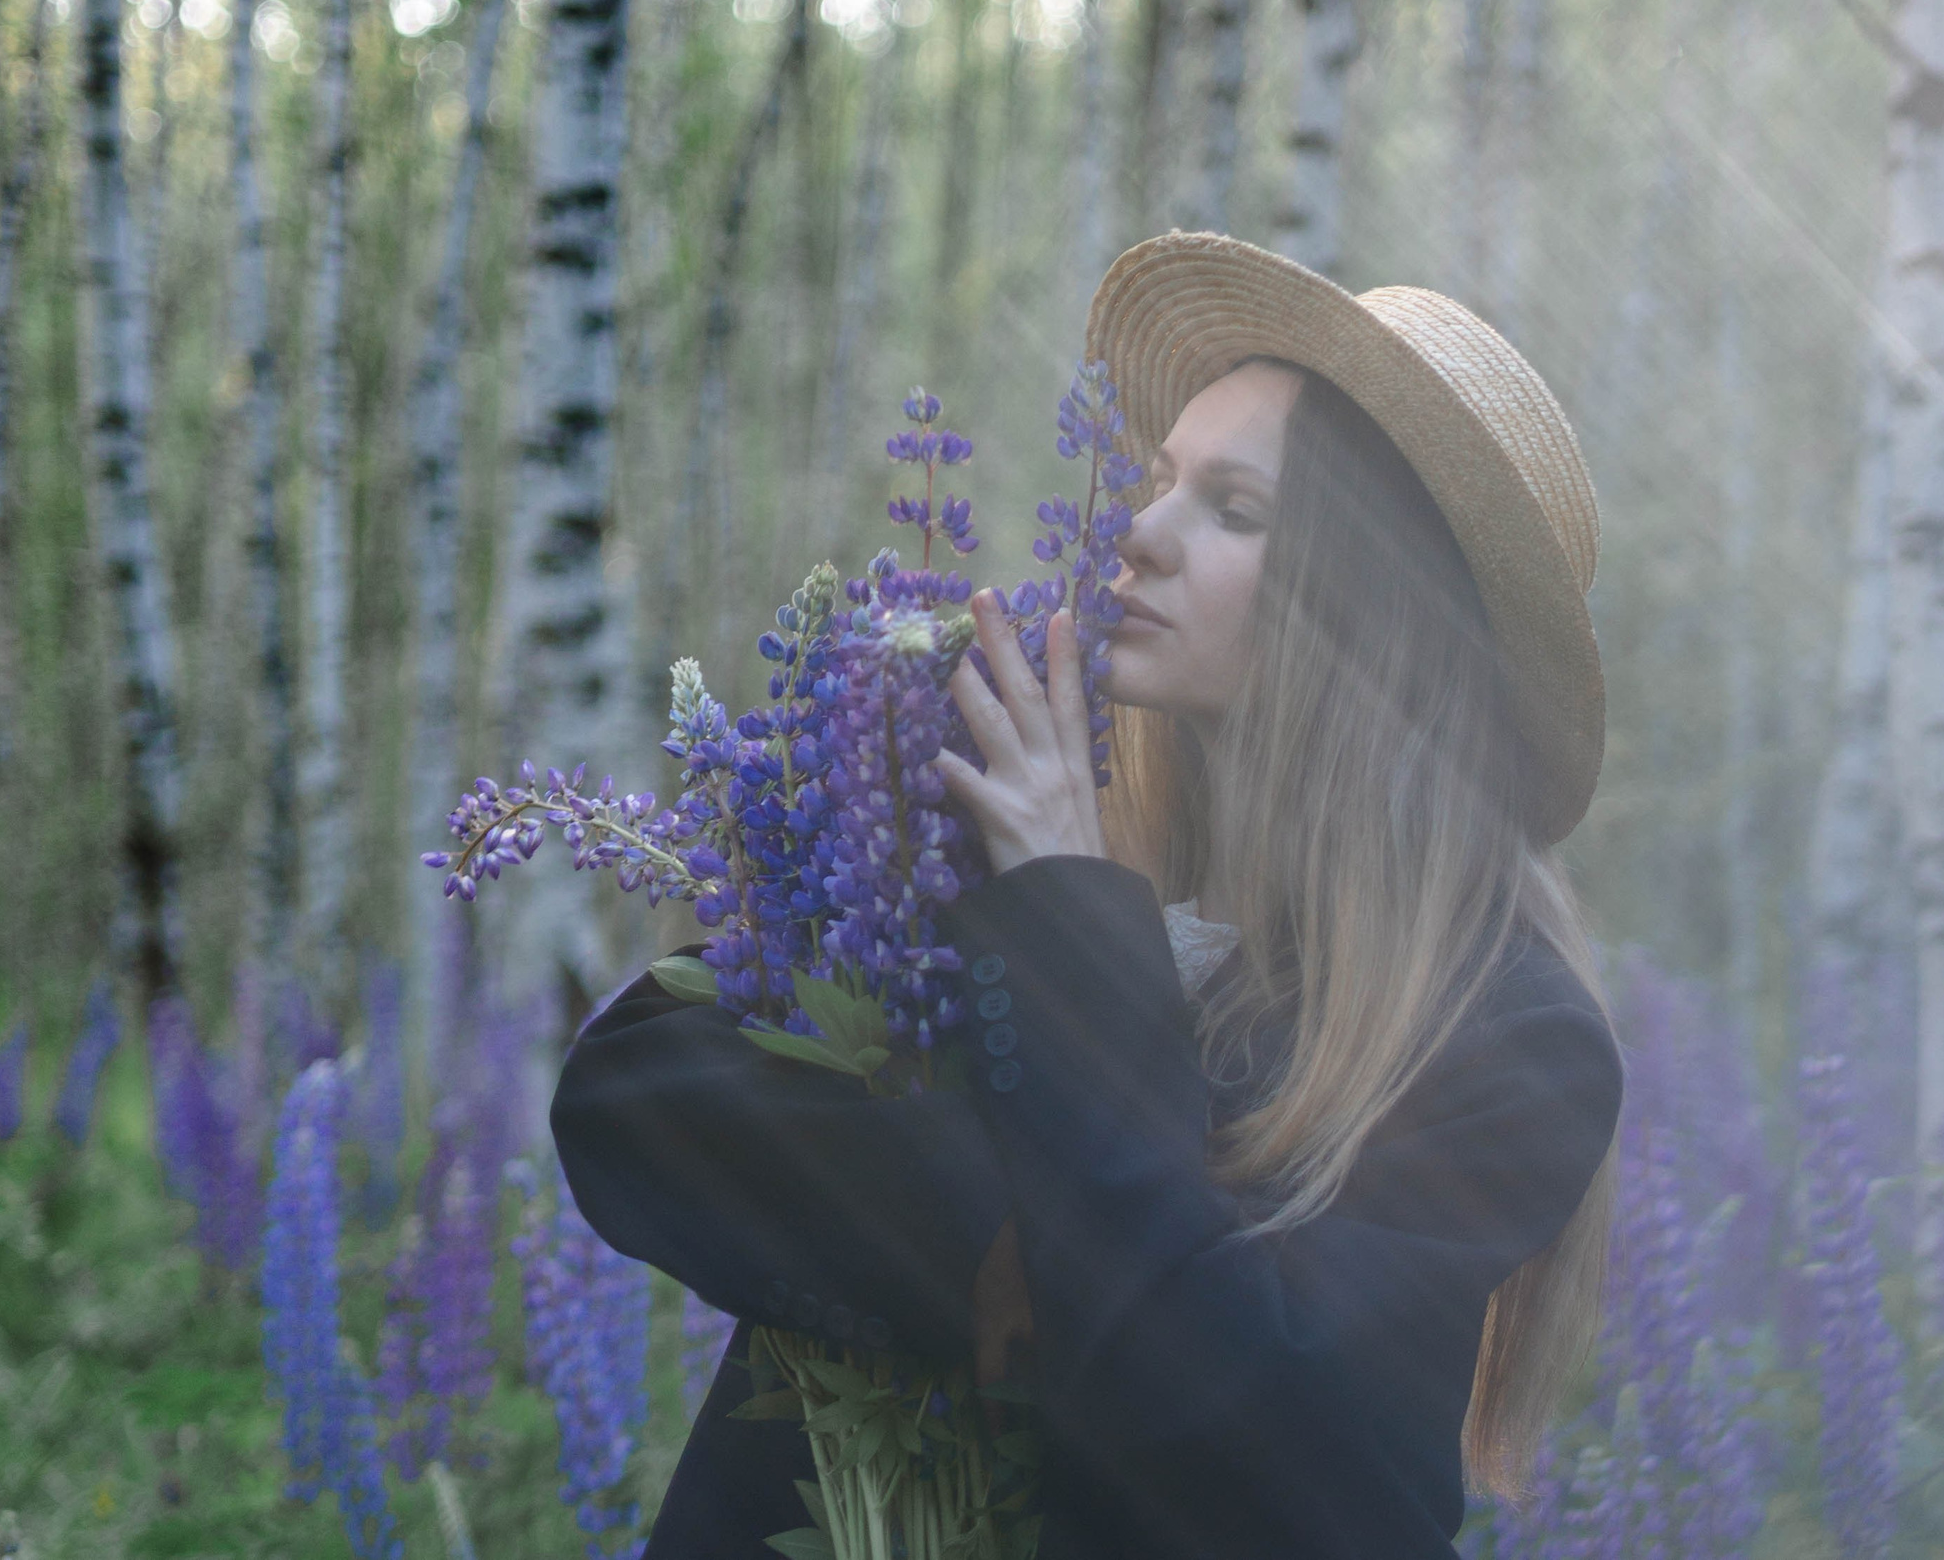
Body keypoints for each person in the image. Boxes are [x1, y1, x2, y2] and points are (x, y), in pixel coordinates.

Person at [551, 231, 1624, 1559]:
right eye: (1160, 480)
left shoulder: (1502, 1038)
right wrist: (1008, 1251)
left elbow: (1235, 1419)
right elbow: (638, 1093)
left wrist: (1066, 917)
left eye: (1233, 511)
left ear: (1372, 613)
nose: (1139, 534)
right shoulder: (1007, 820)